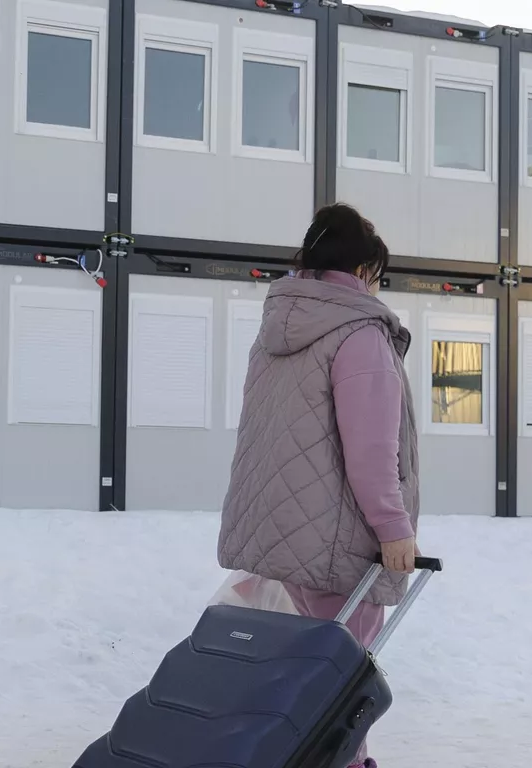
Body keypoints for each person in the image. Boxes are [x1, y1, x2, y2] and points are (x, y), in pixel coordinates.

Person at [216, 203, 421, 768]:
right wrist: (393, 527)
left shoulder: (277, 332)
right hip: (336, 540)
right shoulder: (358, 336)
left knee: (292, 674)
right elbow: (372, 448)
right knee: (342, 677)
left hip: (278, 533)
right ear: (362, 271)